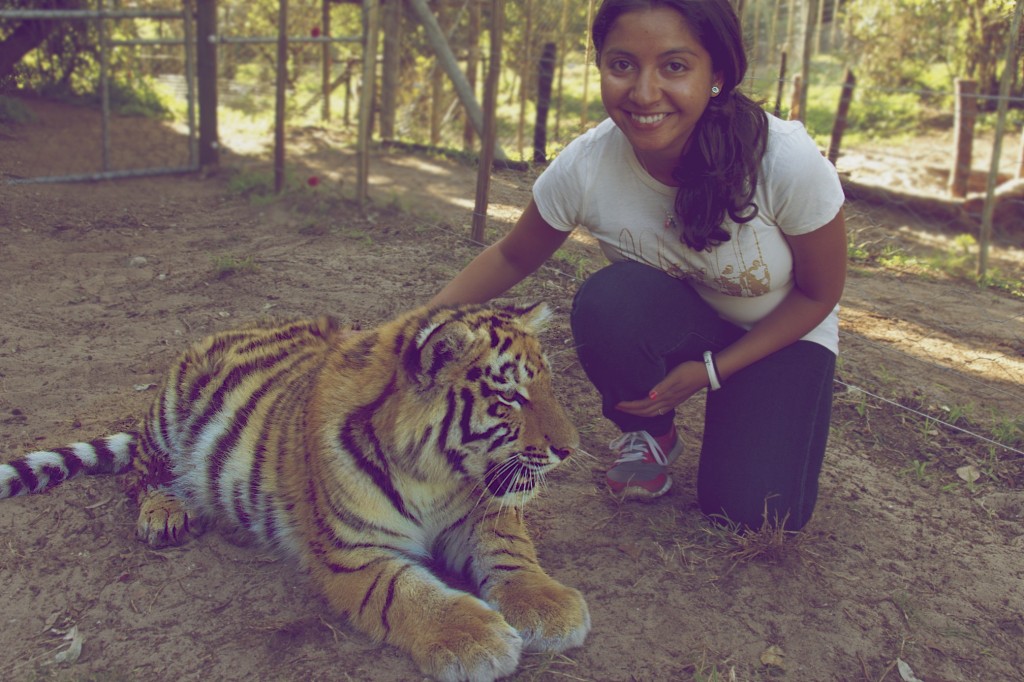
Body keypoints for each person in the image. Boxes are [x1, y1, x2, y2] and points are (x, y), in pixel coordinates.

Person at [430, 0, 847, 532]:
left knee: (757, 513)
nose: (644, 93)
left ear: (716, 75)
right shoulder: (587, 164)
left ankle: (750, 410)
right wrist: (417, 328)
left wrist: (713, 373)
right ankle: (651, 433)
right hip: (681, 321)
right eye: (622, 65)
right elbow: (513, 254)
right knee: (612, 302)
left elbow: (819, 294)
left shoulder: (783, 161)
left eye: (674, 66)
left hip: (782, 331)